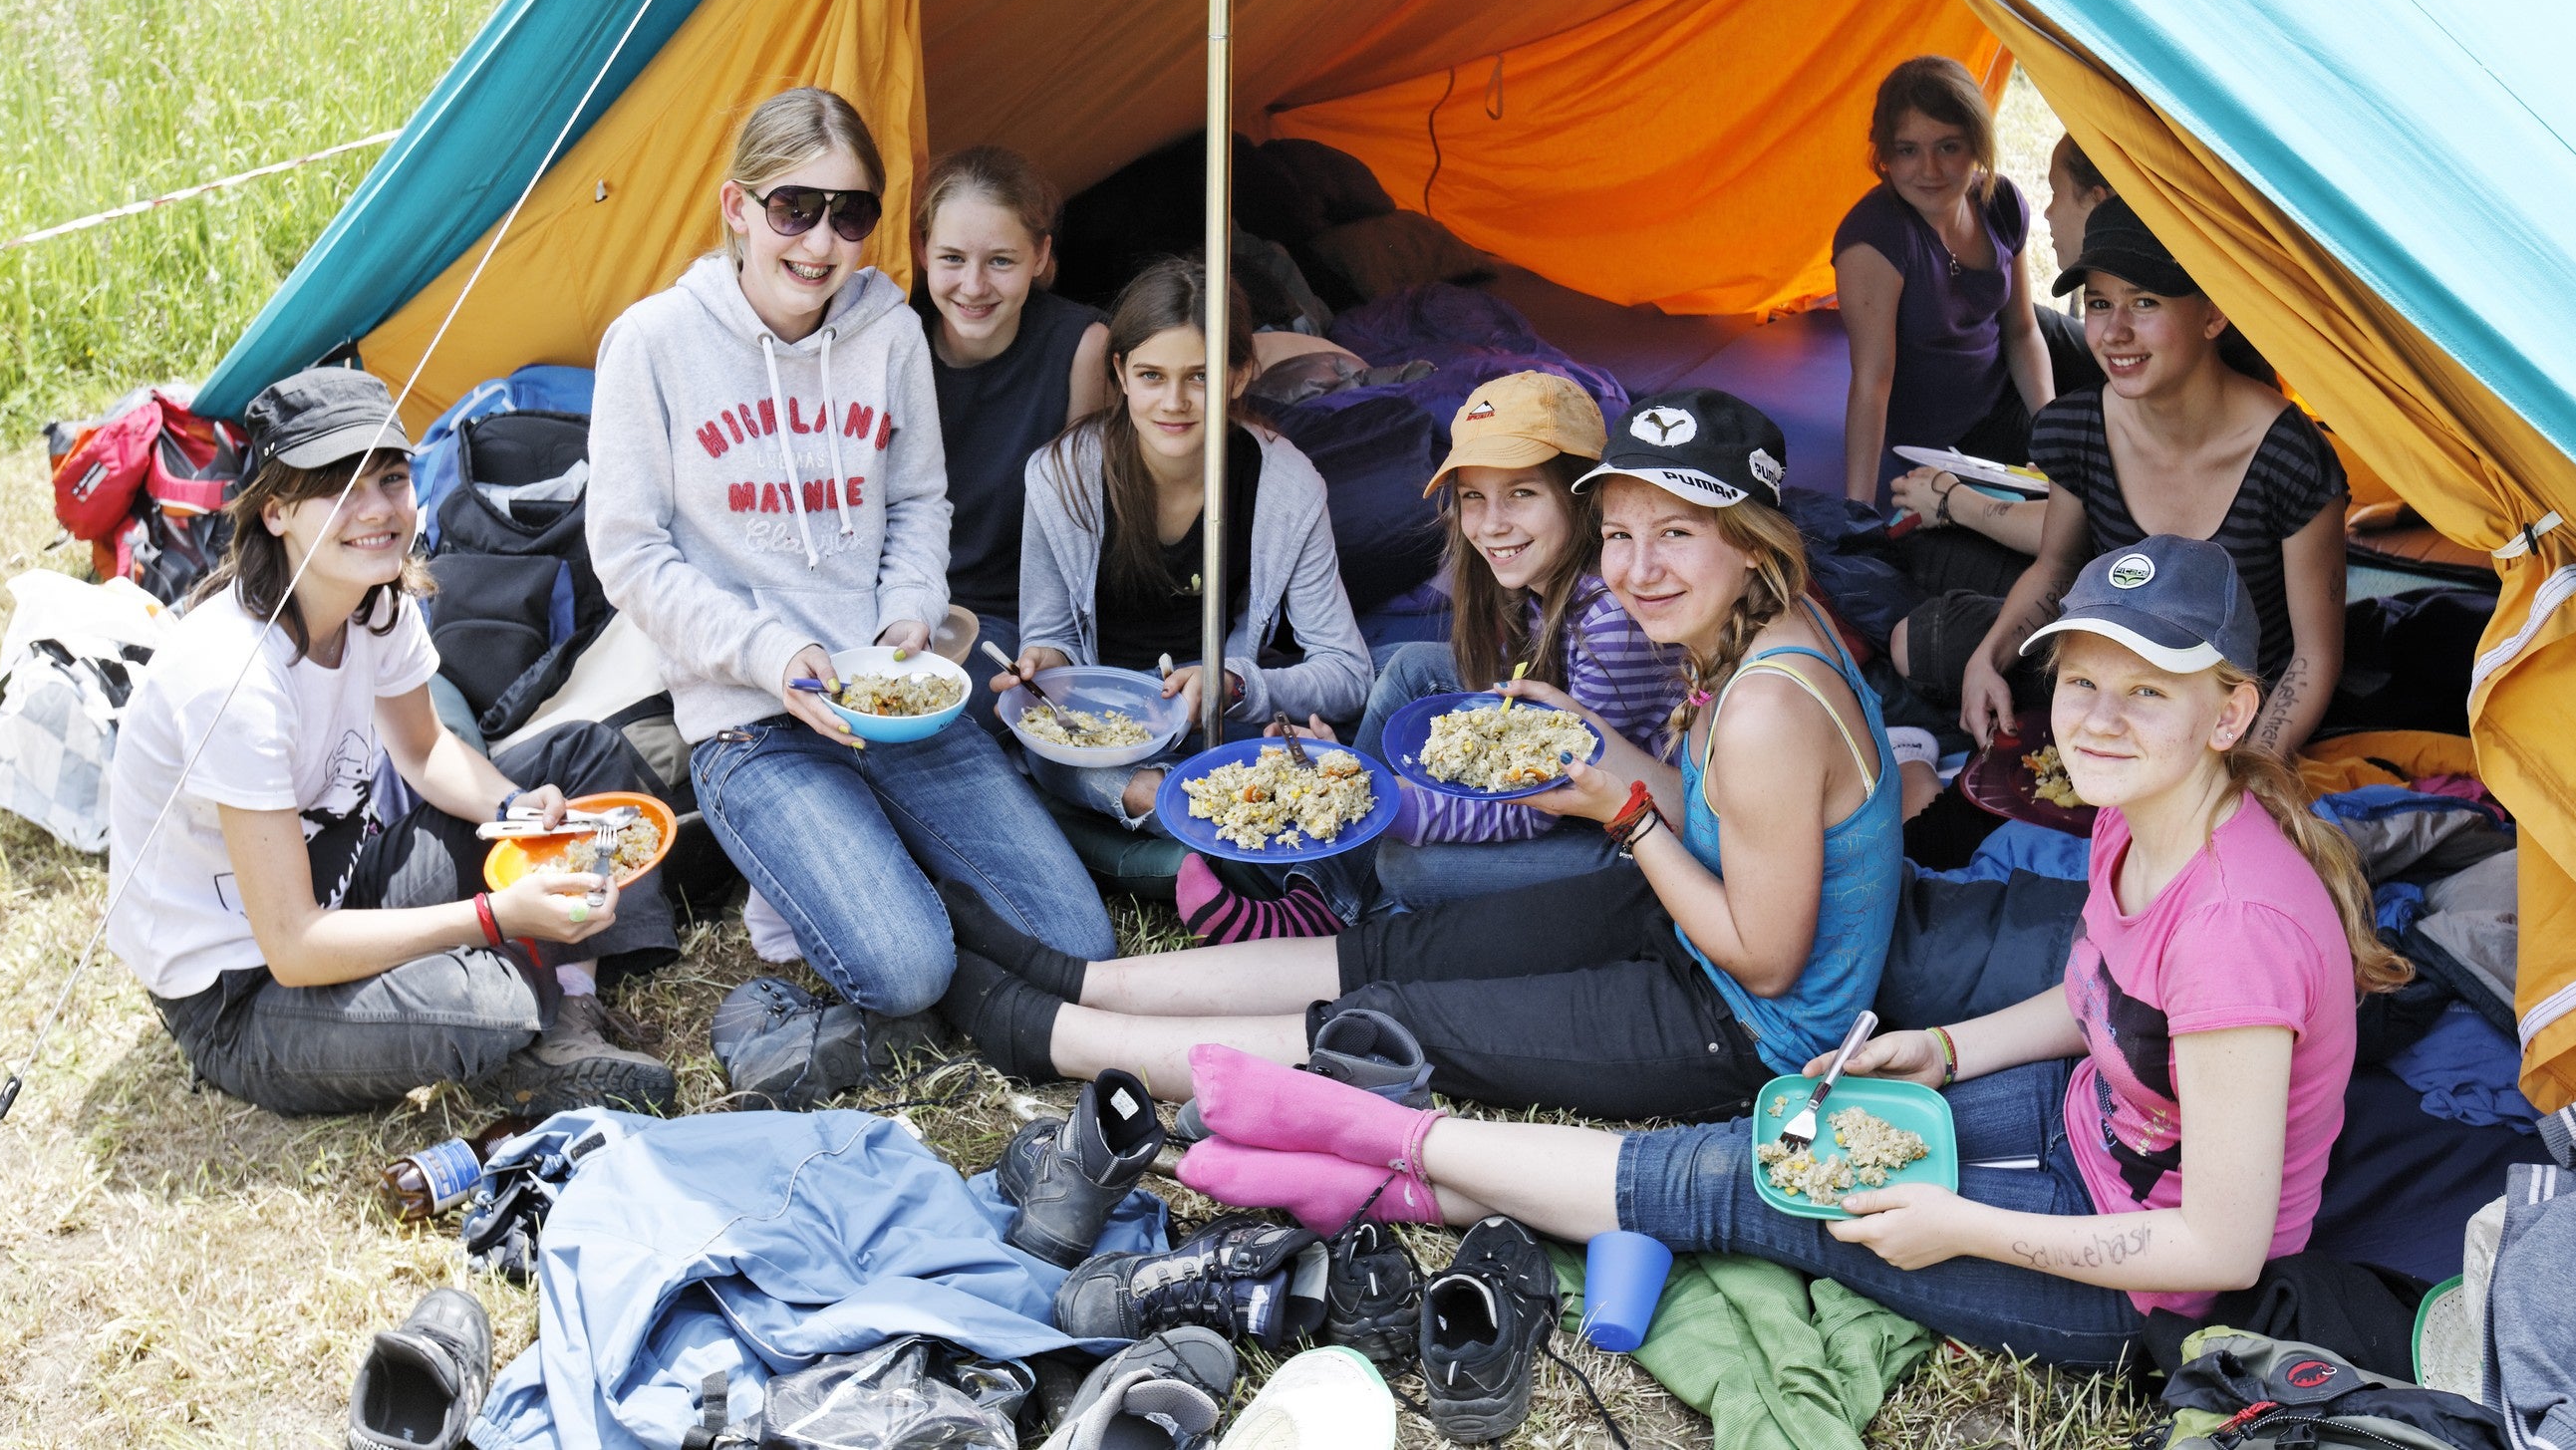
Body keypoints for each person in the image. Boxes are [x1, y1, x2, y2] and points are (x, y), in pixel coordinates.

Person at [1167, 537, 2409, 1368]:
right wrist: (1944, 1047)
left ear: (2231, 711)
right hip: (2077, 1125)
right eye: (2084, 683)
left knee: (1743, 1193)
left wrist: (1960, 1226)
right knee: (1777, 1138)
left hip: (2138, 1283)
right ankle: (1384, 1185)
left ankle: (1373, 1151)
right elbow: (2096, 1002)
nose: (2097, 717)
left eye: (2149, 692)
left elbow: (2221, 1248)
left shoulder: (2239, 926)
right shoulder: (2138, 823)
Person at [939, 391, 1903, 1126]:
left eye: (1678, 534)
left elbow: (1768, 964)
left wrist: (1624, 813)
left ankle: (1059, 1033)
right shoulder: (1758, 625)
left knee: (1405, 1017)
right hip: (1677, 915)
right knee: (1392, 949)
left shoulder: (1769, 703)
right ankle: (1080, 977)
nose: (1637, 568)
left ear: (1750, 539)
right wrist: (1601, 746)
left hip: (1741, 1026)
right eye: (1619, 533)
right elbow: (1712, 813)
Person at [588, 87, 1114, 1018]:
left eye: (851, 214)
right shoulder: (653, 343)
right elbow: (628, 552)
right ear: (737, 208)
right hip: (753, 722)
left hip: (891, 698)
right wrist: (769, 653)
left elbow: (917, 501)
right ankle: (839, 868)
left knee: (1081, 940)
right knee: (907, 973)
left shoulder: (887, 331)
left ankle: (868, 864)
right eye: (794, 209)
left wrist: (906, 611)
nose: (821, 244)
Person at [108, 369, 678, 1117]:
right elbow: (296, 945)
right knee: (492, 1002)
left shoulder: (375, 601)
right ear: (275, 511)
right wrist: (494, 918)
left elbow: (423, 751)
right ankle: (525, 1022)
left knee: (580, 766)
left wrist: (513, 808)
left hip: (347, 886)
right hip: (242, 991)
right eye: (342, 490)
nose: (378, 512)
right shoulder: (233, 680)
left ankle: (571, 1005)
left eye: (391, 479)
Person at [1894, 200, 2348, 756]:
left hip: (2224, 709)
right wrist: (1988, 661)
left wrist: (2254, 769)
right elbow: (2058, 566)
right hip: (2110, 673)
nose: (2116, 331)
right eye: (2101, 304)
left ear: (2212, 315)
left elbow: (2313, 656)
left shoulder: (2290, 459)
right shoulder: (2079, 428)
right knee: (1919, 645)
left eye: (2145, 303)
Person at [1000, 256, 1374, 830]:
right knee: (1050, 752)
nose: (1173, 402)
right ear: (1120, 373)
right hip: (1102, 734)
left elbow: (1348, 673)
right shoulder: (1060, 476)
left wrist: (1233, 684)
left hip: (1222, 726)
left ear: (1239, 374)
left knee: (1337, 721)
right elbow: (1050, 638)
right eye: (1151, 375)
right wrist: (1041, 669)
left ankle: (1196, 814)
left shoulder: (1287, 487)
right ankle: (1186, 808)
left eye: (1199, 376)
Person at [1351, 371, 1680, 909]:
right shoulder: (1537, 580)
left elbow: (1541, 798)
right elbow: (1511, 727)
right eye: (1473, 497)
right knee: (1413, 666)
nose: (1492, 524)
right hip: (1563, 783)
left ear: (1584, 497)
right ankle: (1319, 886)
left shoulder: (1612, 621)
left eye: (1521, 493)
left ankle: (1350, 849)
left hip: (1627, 833)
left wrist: (1399, 808)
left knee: (1406, 864)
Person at [911, 145, 1110, 730]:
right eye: (951, 258)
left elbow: (1080, 529)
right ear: (921, 251)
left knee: (942, 712)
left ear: (1040, 255)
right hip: (899, 605)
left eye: (1000, 260)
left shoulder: (1082, 346)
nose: (973, 286)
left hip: (1011, 619)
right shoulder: (897, 343)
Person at [1834, 57, 2056, 503]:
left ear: (1976, 145)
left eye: (1949, 147)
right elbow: (1872, 381)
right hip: (1957, 437)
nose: (1929, 170)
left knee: (2129, 381)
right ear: (1885, 155)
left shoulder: (2000, 201)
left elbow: (2023, 329)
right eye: (1908, 150)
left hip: (2008, 381)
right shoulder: (1875, 238)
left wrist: (2052, 433)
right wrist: (1855, 511)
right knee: (2082, 491)